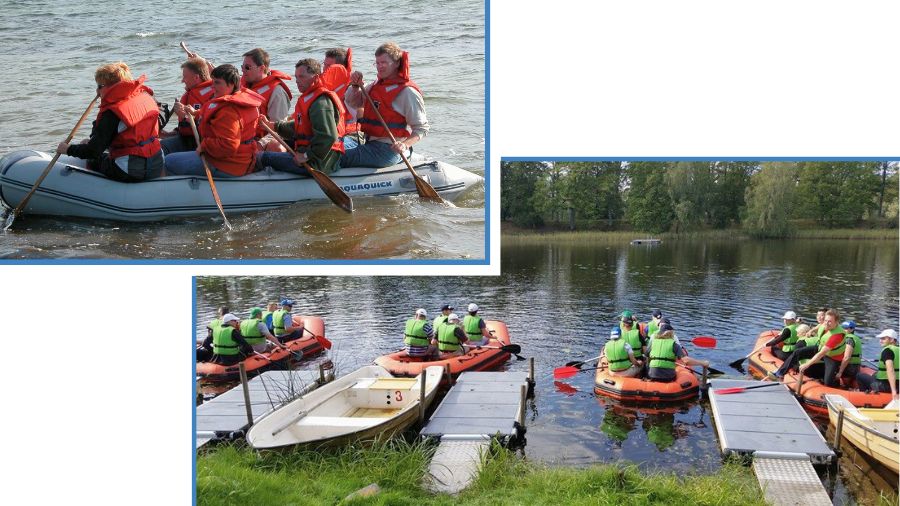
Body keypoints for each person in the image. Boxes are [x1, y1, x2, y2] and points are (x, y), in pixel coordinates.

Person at [57, 61, 163, 182]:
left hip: (129, 171)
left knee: (93, 159)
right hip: (156, 164)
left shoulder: (112, 113)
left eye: (100, 86)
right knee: (91, 144)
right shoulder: (146, 96)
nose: (97, 91)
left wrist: (67, 149)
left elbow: (93, 152)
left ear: (112, 86)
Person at [340, 42, 429, 168]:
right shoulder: (376, 85)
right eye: (377, 63)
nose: (379, 67)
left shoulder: (407, 92)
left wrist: (405, 144)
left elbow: (422, 128)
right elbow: (353, 102)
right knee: (334, 145)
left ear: (397, 63)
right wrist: (355, 85)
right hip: (369, 143)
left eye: (384, 63)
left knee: (335, 156)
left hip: (388, 150)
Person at [164, 64, 263, 177]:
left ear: (231, 85)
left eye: (217, 82)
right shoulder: (236, 102)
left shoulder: (229, 111)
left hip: (229, 164)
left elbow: (228, 145)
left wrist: (204, 145)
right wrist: (195, 113)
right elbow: (215, 119)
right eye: (213, 82)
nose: (212, 86)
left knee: (168, 162)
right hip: (238, 159)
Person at [257, 58, 346, 176]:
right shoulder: (309, 98)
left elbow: (328, 136)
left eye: (302, 77)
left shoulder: (320, 103)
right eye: (296, 77)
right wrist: (272, 125)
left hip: (319, 163)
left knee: (263, 157)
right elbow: (299, 126)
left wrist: (305, 156)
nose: (297, 81)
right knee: (271, 144)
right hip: (311, 154)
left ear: (315, 77)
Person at [769, 309, 849, 387]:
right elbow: (818, 326)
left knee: (828, 383)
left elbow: (821, 353)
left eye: (830, 321)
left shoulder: (836, 335)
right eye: (825, 320)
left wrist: (807, 364)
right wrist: (810, 331)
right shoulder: (824, 325)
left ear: (837, 322)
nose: (827, 323)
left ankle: (837, 381)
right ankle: (779, 373)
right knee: (797, 353)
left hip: (832, 357)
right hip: (821, 348)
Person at [160, 57, 215, 154]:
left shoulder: (212, 96)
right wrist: (173, 132)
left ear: (196, 77)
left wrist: (184, 117)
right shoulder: (192, 93)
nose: (182, 81)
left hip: (199, 144)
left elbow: (210, 129)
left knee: (160, 148)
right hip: (187, 137)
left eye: (185, 77)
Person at [241, 47, 292, 144]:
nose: (243, 70)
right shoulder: (242, 85)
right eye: (242, 67)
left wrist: (261, 144)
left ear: (261, 68)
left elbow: (278, 129)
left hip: (260, 141)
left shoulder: (277, 92)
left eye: (247, 67)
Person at [322, 47, 363, 149]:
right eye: (324, 65)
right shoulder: (324, 88)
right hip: (332, 134)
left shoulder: (351, 89)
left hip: (353, 135)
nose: (325, 69)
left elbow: (361, 113)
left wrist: (355, 86)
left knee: (322, 148)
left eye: (329, 66)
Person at [856, 329, 898, 400]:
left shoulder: (887, 351)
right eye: (880, 338)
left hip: (886, 387)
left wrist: (894, 391)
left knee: (859, 376)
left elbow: (890, 370)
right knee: (875, 374)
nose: (880, 341)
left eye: (883, 339)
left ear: (891, 340)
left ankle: (864, 397)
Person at [837, 320, 862, 385]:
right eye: (842, 328)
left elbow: (847, 357)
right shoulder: (856, 338)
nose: (843, 329)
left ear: (852, 329)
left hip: (849, 367)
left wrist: (840, 372)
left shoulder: (849, 339)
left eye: (845, 328)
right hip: (856, 366)